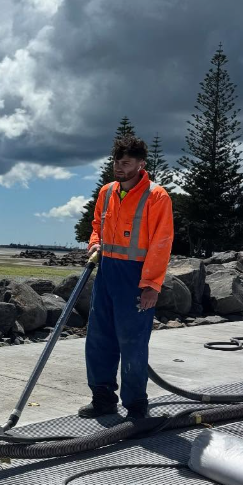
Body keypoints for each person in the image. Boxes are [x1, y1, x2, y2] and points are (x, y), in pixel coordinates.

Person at [79, 134, 174, 420]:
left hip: (135, 276)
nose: (119, 168)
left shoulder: (156, 197)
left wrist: (151, 286)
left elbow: (161, 242)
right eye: (117, 162)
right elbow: (97, 224)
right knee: (98, 338)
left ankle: (135, 406)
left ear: (141, 164)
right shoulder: (107, 191)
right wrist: (94, 242)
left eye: (126, 163)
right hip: (107, 270)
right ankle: (102, 399)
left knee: (132, 342)